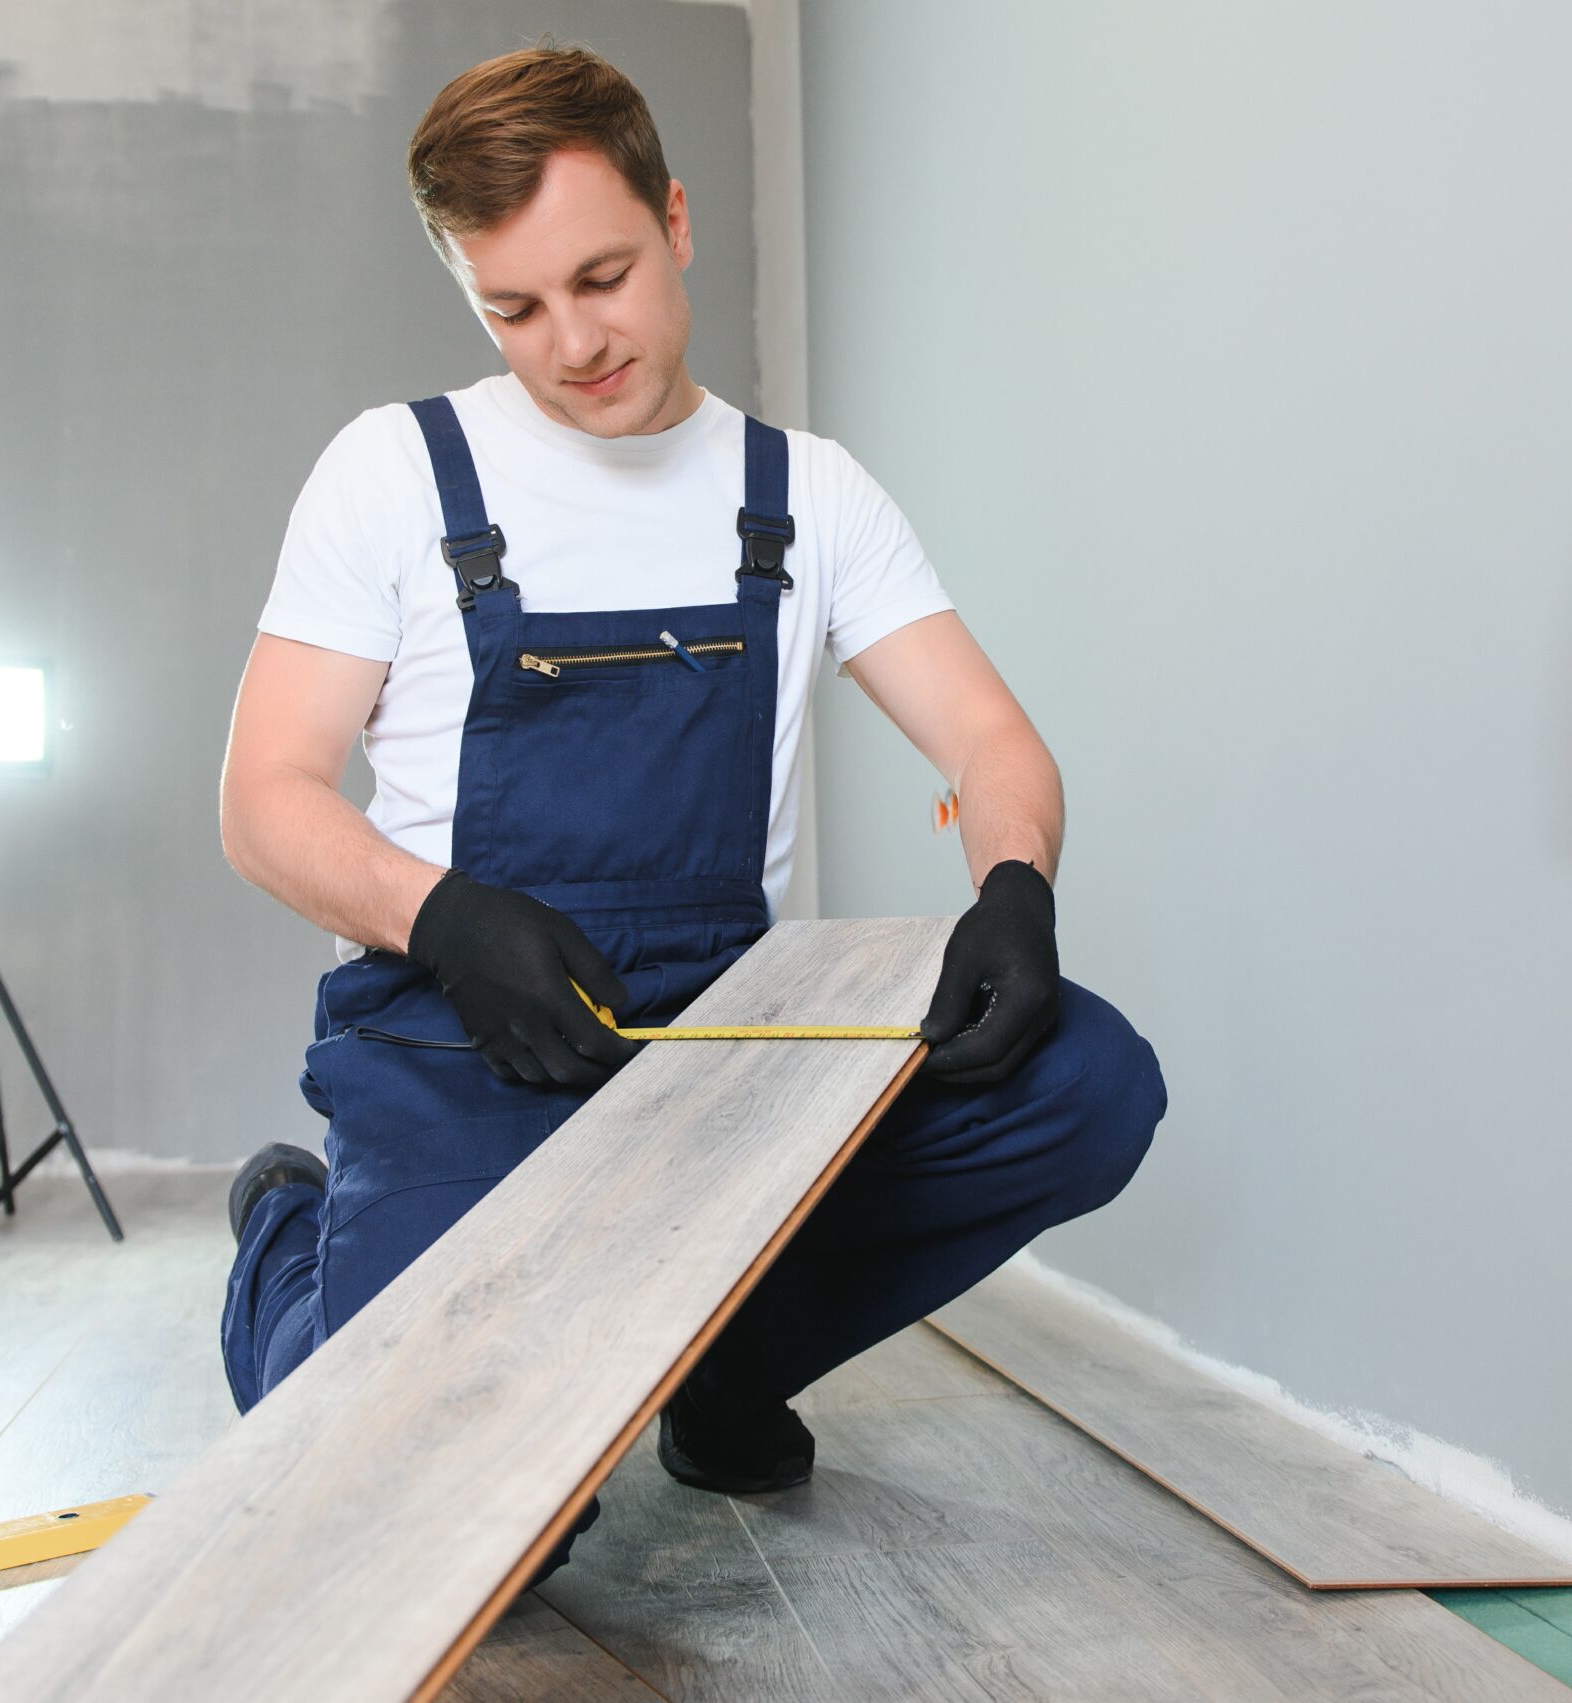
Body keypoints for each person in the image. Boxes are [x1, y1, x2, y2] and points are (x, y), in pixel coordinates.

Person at [216, 42, 1165, 1552]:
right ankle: (287, 1246)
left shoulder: (807, 494)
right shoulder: (395, 474)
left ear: (676, 219)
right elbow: (265, 799)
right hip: (466, 1034)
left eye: (602, 277)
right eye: (513, 307)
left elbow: (992, 746)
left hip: (719, 1046)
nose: (572, 342)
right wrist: (448, 919)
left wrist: (1016, 886)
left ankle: (726, 1364)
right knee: (453, 1525)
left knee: (1090, 1082)